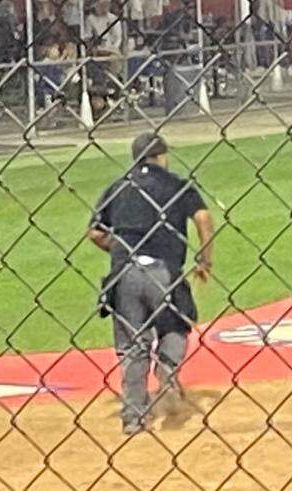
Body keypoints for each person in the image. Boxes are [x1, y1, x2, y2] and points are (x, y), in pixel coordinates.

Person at [88, 133, 215, 434]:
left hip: (124, 275)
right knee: (177, 324)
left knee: (133, 347)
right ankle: (167, 371)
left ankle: (133, 419)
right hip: (164, 272)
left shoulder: (117, 187)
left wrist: (121, 249)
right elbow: (203, 219)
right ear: (161, 156)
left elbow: (94, 232)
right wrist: (204, 260)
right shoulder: (176, 185)